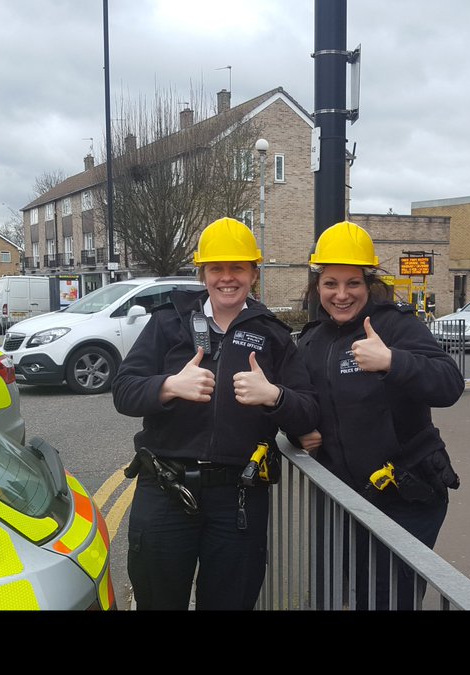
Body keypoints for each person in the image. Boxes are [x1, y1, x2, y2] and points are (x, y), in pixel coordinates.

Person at [112, 217, 319, 611]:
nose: (227, 278)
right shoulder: (167, 322)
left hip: (238, 496)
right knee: (157, 601)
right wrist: (169, 386)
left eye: (237, 268)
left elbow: (307, 410)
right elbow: (123, 391)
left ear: (254, 273)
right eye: (217, 268)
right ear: (202, 273)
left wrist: (273, 395)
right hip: (165, 489)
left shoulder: (273, 334)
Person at [293, 220, 464, 610]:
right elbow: (304, 400)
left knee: (390, 597)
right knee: (359, 589)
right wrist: (298, 428)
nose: (341, 294)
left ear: (368, 283)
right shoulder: (312, 340)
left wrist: (392, 361)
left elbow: (449, 384)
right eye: (330, 283)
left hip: (408, 496)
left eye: (352, 283)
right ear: (317, 286)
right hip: (351, 499)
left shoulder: (395, 325)